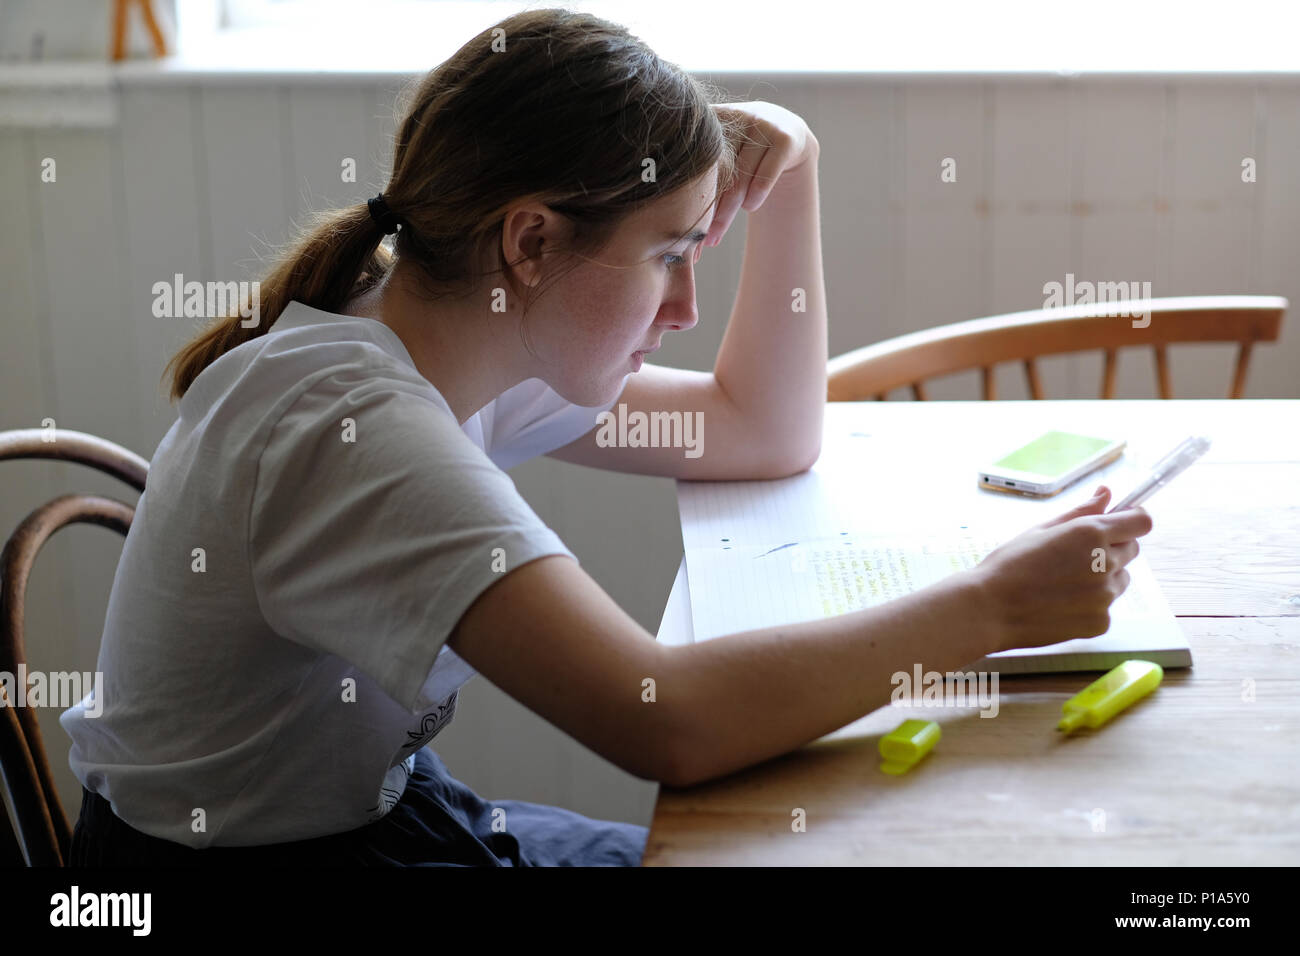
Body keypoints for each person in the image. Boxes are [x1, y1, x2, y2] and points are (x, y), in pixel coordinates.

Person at [60, 8, 1151, 867]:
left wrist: (794, 166)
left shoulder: (455, 335)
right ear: (530, 242)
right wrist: (991, 605)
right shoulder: (358, 428)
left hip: (375, 820)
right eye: (669, 254)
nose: (683, 307)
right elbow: (661, 717)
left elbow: (761, 430)